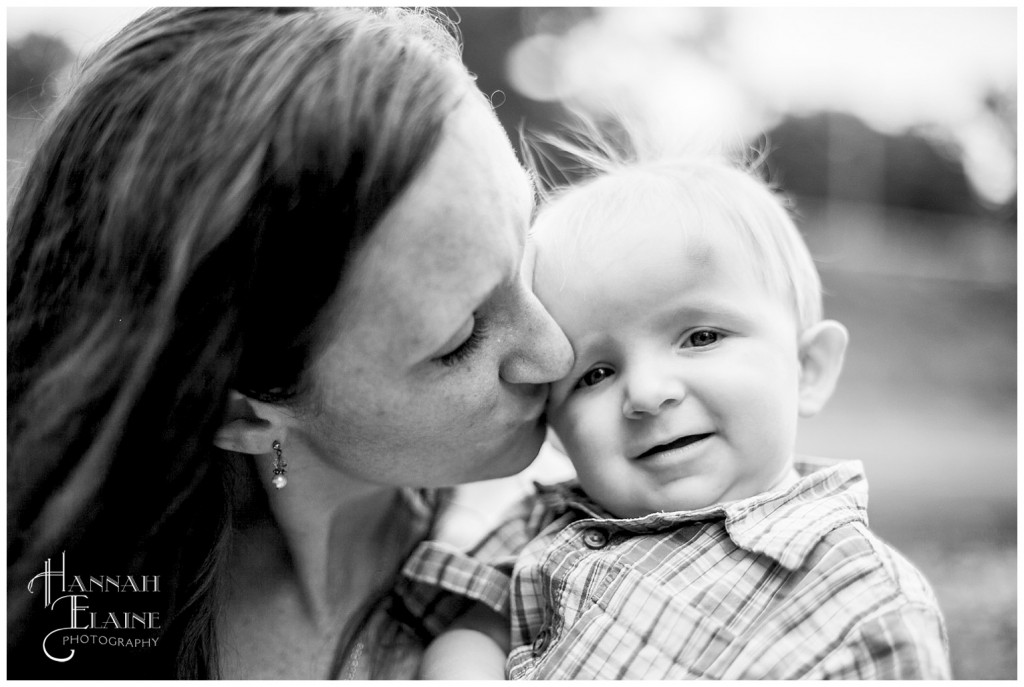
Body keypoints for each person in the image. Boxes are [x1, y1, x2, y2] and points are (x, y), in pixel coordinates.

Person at [6, 7, 574, 679]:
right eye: (459, 339)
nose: (556, 351)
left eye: (526, 230)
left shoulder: (606, 524)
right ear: (240, 413)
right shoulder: (75, 627)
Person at [411, 141, 952, 679]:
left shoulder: (860, 596)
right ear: (554, 428)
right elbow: (473, 628)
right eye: (595, 374)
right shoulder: (541, 525)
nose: (647, 393)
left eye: (701, 337)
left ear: (807, 368)